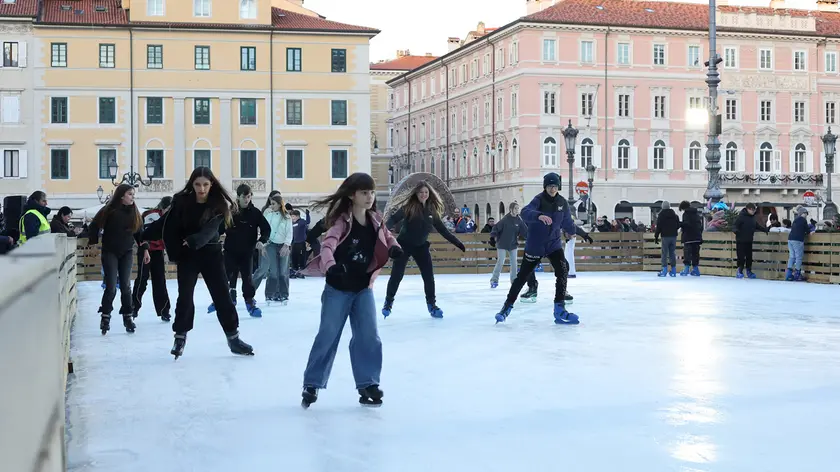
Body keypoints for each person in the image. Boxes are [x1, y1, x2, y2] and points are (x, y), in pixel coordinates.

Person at [298, 172, 402, 408]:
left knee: (369, 336)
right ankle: (312, 383)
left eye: (372, 192)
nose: (370, 196)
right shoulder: (341, 221)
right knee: (328, 335)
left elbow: (388, 237)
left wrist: (394, 248)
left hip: (363, 288)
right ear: (352, 195)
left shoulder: (375, 219)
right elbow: (327, 246)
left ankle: (368, 383)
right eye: (364, 192)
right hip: (338, 288)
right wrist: (331, 266)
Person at [162, 167, 254, 359]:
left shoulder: (219, 205)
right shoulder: (181, 202)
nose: (201, 189)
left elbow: (210, 230)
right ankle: (180, 337)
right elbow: (167, 227)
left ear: (212, 184)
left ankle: (233, 338)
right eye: (197, 184)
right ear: (192, 184)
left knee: (222, 296)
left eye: (205, 184)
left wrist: (193, 241)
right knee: (185, 296)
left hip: (211, 254)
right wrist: (148, 238)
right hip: (187, 255)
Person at [494, 173, 593, 324]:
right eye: (549, 186)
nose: (552, 189)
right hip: (536, 245)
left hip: (553, 244)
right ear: (545, 187)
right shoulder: (538, 200)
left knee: (562, 270)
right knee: (522, 277)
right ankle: (506, 308)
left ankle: (559, 308)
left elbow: (568, 223)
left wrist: (583, 234)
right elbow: (525, 212)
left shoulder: (562, 202)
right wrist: (539, 216)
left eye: (555, 186)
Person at [383, 180, 465, 318]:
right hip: (404, 245)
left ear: (429, 194)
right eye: (421, 192)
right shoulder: (409, 207)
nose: (423, 194)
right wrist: (383, 231)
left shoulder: (432, 210)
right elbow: (392, 219)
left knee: (428, 277)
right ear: (416, 193)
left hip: (421, 247)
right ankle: (388, 302)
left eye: (426, 192)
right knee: (397, 275)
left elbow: (443, 230)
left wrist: (457, 243)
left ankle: (432, 305)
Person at [88, 184, 149, 335]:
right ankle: (105, 316)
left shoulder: (134, 212)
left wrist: (145, 249)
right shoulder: (109, 210)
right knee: (111, 287)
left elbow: (140, 233)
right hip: (110, 251)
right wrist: (93, 243)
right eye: (130, 194)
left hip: (127, 252)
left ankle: (128, 316)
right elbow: (94, 226)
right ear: (121, 195)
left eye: (133, 194)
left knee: (126, 286)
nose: (133, 197)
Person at [207, 184, 270, 316]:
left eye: (248, 197)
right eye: (243, 197)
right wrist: (211, 239)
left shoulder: (255, 213)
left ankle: (249, 301)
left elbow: (266, 229)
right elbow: (219, 229)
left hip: (247, 252)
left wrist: (262, 240)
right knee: (225, 276)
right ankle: (221, 300)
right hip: (230, 251)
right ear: (238, 197)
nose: (246, 200)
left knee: (247, 278)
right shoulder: (230, 211)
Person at [133, 196, 173, 321]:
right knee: (142, 279)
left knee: (160, 280)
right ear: (164, 207)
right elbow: (142, 232)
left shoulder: (170, 218)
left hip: (158, 251)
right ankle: (133, 307)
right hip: (146, 249)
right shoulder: (151, 215)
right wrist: (144, 247)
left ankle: (164, 310)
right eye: (169, 209)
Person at [252, 194, 292, 304]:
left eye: (273, 204)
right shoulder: (268, 215)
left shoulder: (287, 217)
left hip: (283, 245)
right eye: (270, 203)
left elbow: (289, 232)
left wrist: (286, 245)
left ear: (279, 204)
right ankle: (270, 294)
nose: (271, 206)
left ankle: (284, 295)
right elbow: (264, 230)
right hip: (270, 245)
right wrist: (263, 245)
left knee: (283, 272)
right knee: (273, 271)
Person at [489, 202, 527, 288]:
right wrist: (492, 237)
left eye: (518, 208)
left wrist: (530, 238)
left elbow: (525, 231)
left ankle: (514, 280)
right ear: (511, 209)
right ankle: (494, 280)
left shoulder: (519, 220)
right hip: (502, 243)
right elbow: (495, 228)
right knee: (500, 261)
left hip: (513, 244)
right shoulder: (505, 219)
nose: (517, 210)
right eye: (515, 208)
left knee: (514, 262)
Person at [733, 203, 768, 279]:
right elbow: (735, 225)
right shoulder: (741, 217)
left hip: (749, 240)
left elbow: (756, 225)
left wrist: (764, 229)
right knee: (741, 257)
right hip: (741, 241)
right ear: (748, 209)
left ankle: (749, 271)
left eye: (754, 210)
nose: (753, 211)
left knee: (749, 257)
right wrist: (736, 230)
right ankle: (739, 271)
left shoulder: (752, 218)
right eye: (752, 210)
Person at [653, 201, 680, 277]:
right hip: (673, 236)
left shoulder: (661, 215)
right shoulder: (675, 215)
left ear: (662, 207)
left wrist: (656, 236)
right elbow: (678, 225)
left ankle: (664, 270)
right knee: (672, 253)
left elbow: (659, 227)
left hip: (665, 236)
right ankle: (673, 270)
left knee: (664, 253)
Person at [678, 201, 704, 276]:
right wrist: (699, 234)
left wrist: (680, 224)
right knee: (695, 254)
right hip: (697, 237)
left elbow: (687, 224)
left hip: (688, 237)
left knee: (687, 253)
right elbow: (700, 226)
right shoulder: (696, 214)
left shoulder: (686, 214)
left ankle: (686, 269)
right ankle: (696, 270)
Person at [786, 206, 810, 282]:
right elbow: (807, 230)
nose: (806, 215)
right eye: (806, 213)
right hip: (798, 240)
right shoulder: (803, 220)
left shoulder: (795, 220)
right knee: (799, 257)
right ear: (803, 213)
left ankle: (788, 275)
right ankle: (797, 274)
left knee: (792, 256)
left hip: (790, 239)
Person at [290, 209, 311, 278]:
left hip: (301, 242)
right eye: (291, 216)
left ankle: (301, 270)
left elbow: (308, 221)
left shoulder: (301, 221)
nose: (292, 218)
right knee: (294, 256)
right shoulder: (292, 223)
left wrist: (307, 214)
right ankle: (294, 269)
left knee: (302, 257)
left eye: (293, 216)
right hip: (294, 242)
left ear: (297, 216)